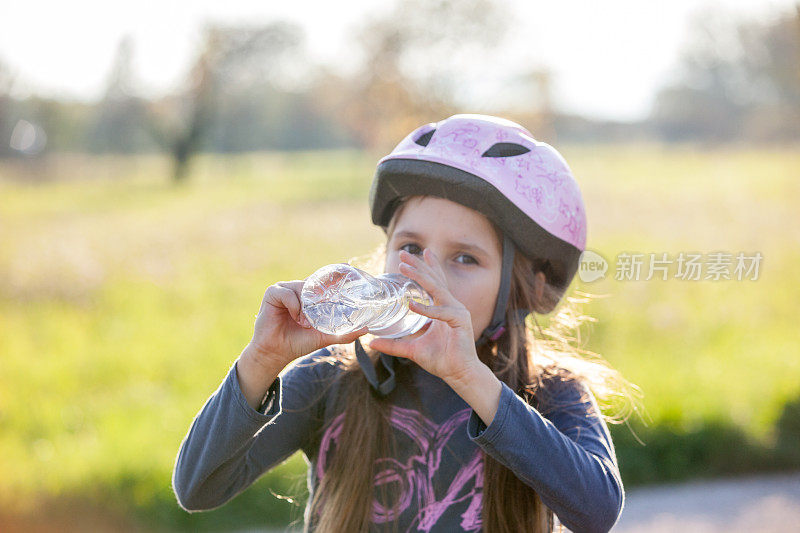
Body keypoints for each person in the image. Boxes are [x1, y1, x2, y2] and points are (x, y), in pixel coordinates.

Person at [172, 114, 637, 533]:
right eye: (410, 248)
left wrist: (469, 377)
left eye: (464, 258)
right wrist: (261, 362)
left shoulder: (552, 391)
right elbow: (199, 487)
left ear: (525, 289)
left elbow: (595, 512)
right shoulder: (331, 376)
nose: (424, 275)